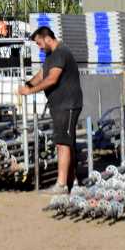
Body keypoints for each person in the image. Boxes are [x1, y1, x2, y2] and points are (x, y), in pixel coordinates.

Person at [18, 25, 83, 195]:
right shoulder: (51, 56)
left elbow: (52, 79)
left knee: (63, 143)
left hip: (67, 104)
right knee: (65, 142)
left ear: (48, 38)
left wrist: (31, 91)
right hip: (60, 106)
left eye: (39, 43)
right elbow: (42, 74)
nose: (39, 47)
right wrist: (28, 84)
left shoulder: (61, 53)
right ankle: (71, 181)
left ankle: (61, 185)